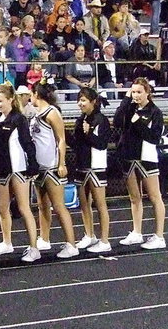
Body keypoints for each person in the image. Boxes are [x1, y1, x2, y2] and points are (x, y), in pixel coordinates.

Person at [0, 83, 41, 262]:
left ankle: (34, 247)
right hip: (2, 169)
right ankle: (6, 242)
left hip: (18, 168)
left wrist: (33, 165)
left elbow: (27, 143)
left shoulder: (19, 119)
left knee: (24, 207)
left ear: (10, 99)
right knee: (2, 208)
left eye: (0, 100)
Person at [113, 77, 166, 249]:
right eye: (133, 92)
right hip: (128, 156)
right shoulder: (130, 107)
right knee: (134, 198)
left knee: (154, 196)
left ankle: (159, 236)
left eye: (139, 92)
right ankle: (137, 232)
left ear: (147, 92)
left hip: (147, 157)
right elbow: (117, 121)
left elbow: (154, 137)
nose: (136, 95)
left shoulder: (155, 112)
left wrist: (138, 122)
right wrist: (126, 99)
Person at [29, 83, 79, 259]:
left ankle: (71, 244)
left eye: (31, 94)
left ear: (36, 94)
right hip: (39, 167)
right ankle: (45, 238)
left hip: (52, 166)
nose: (30, 97)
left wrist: (62, 163)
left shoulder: (52, 112)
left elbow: (61, 139)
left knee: (59, 206)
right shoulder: (36, 114)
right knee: (42, 205)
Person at [73, 87, 113, 252]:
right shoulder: (80, 119)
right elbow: (76, 144)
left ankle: (104, 241)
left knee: (100, 204)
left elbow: (102, 144)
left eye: (83, 100)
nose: (80, 104)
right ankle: (89, 235)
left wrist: (88, 134)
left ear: (93, 102)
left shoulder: (101, 120)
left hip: (96, 166)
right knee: (84, 203)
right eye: (79, 100)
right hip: (82, 165)